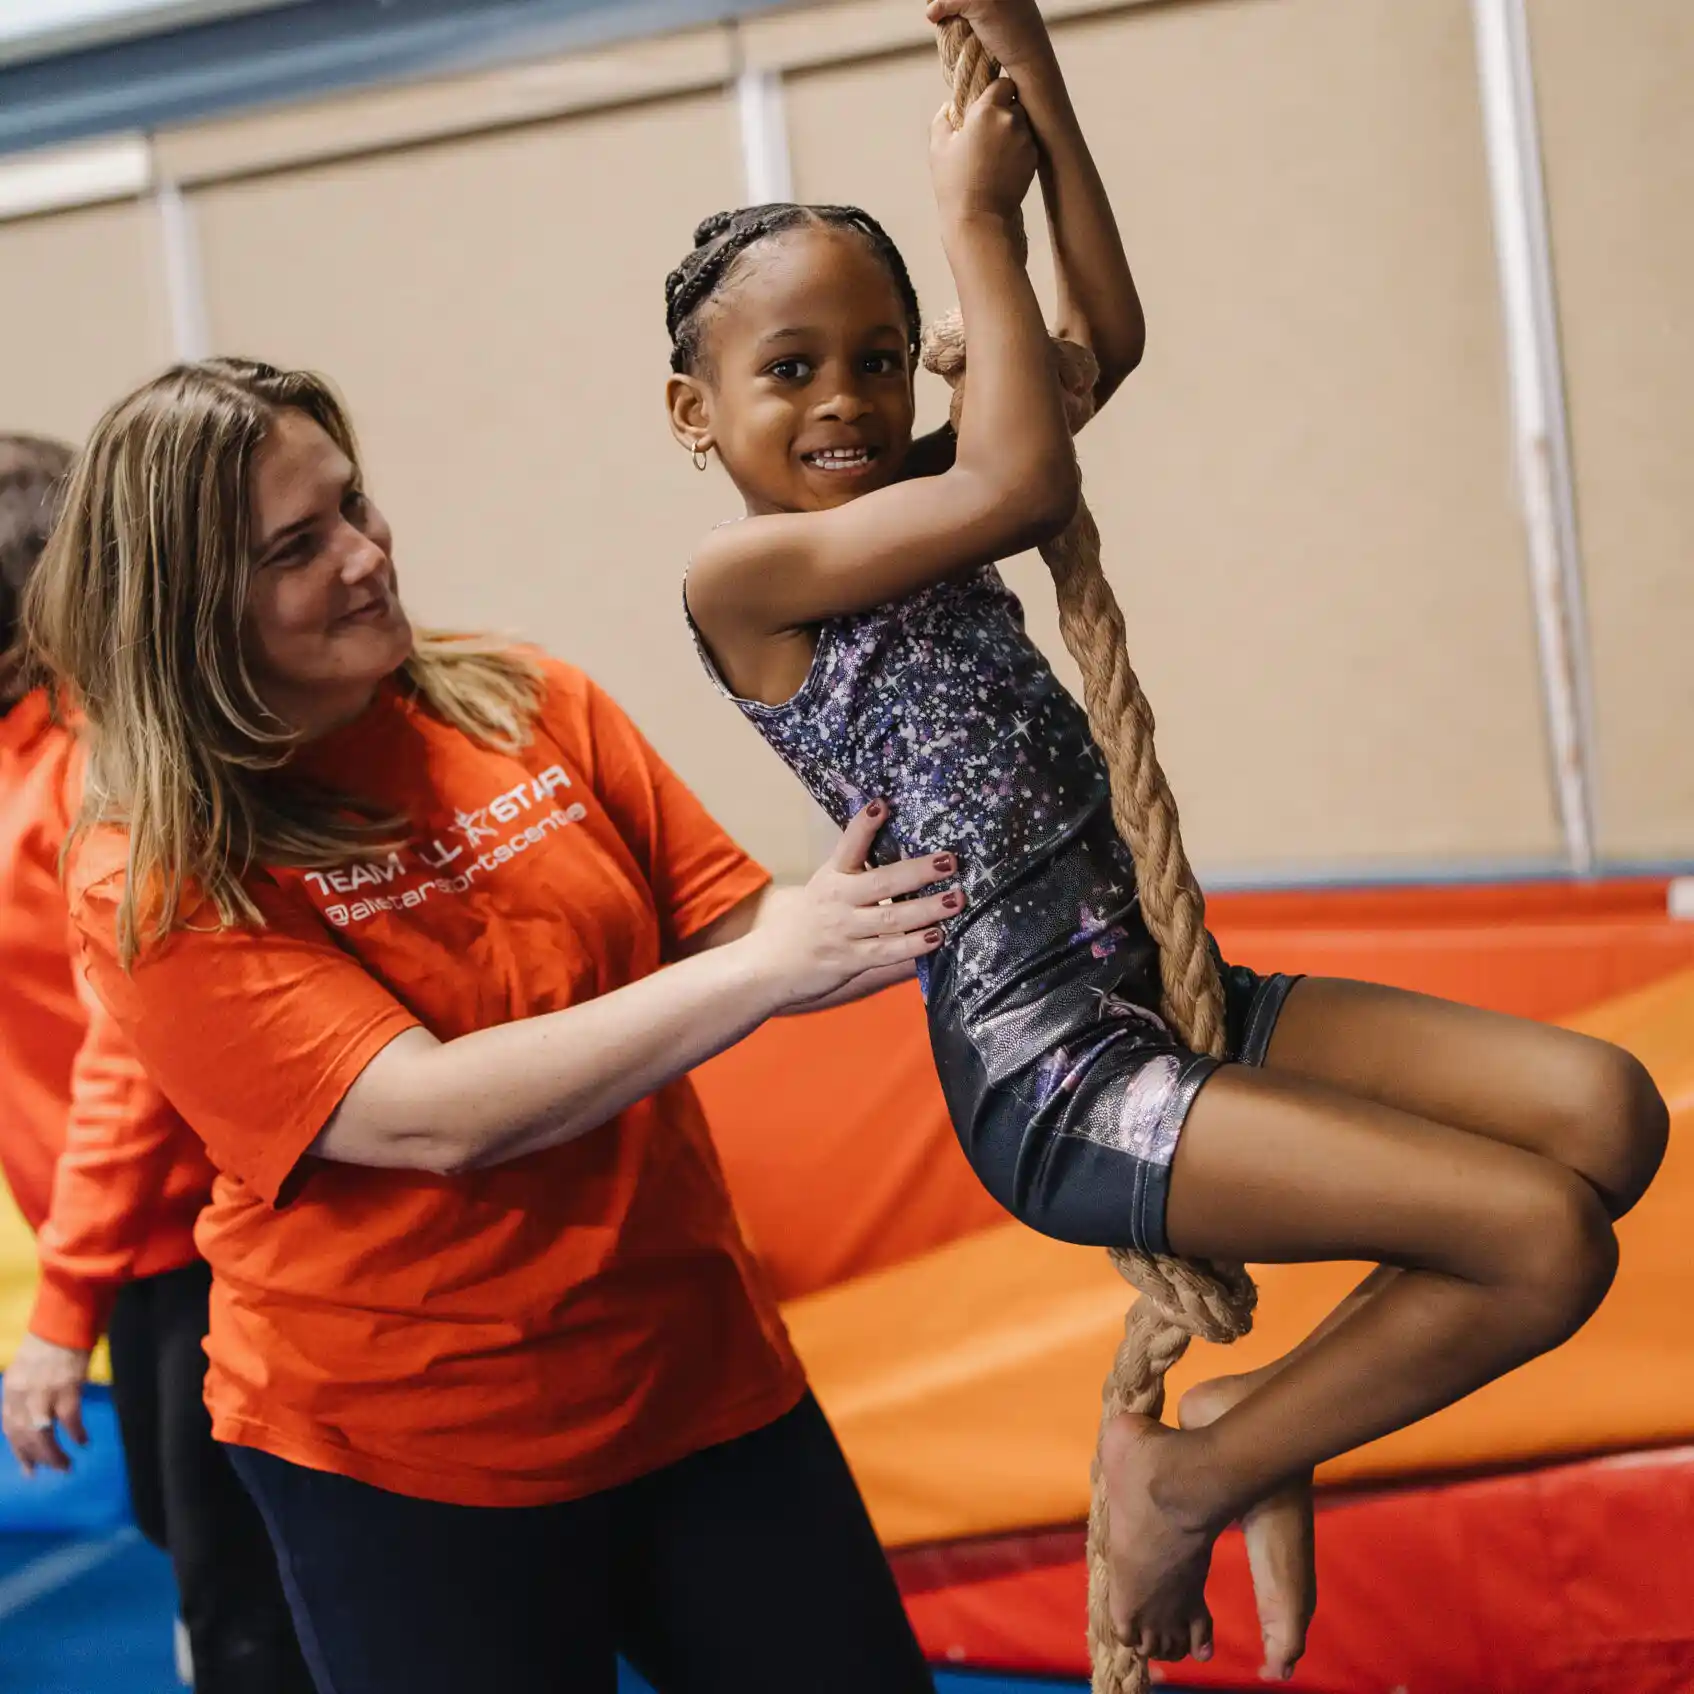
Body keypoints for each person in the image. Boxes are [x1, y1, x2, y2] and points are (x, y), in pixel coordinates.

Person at [665, 0, 1670, 1677]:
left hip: (1161, 988)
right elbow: (1016, 484)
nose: (841, 397)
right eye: (786, 369)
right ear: (693, 413)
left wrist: (1026, 72)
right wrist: (970, 216)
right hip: (1053, 1069)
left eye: (875, 356)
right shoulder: (740, 576)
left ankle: (1251, 1424)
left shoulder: (921, 485)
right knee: (1539, 1237)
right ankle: (1186, 1470)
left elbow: (1100, 340)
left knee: (1601, 1110)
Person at [24, 356, 956, 1694]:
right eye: (298, 548)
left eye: (353, 506)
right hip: (407, 1445)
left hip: (692, 1372)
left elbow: (737, 931)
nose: (363, 557)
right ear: (190, 613)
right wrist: (779, 961)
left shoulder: (523, 699)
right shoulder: (159, 867)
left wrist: (966, 884)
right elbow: (425, 1113)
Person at [0, 432, 314, 1694]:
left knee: (244, 1591)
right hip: (132, 1247)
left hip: (200, 1242)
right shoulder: (25, 755)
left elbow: (131, 1058)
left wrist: (59, 1312)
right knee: (199, 1547)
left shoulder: (93, 763)